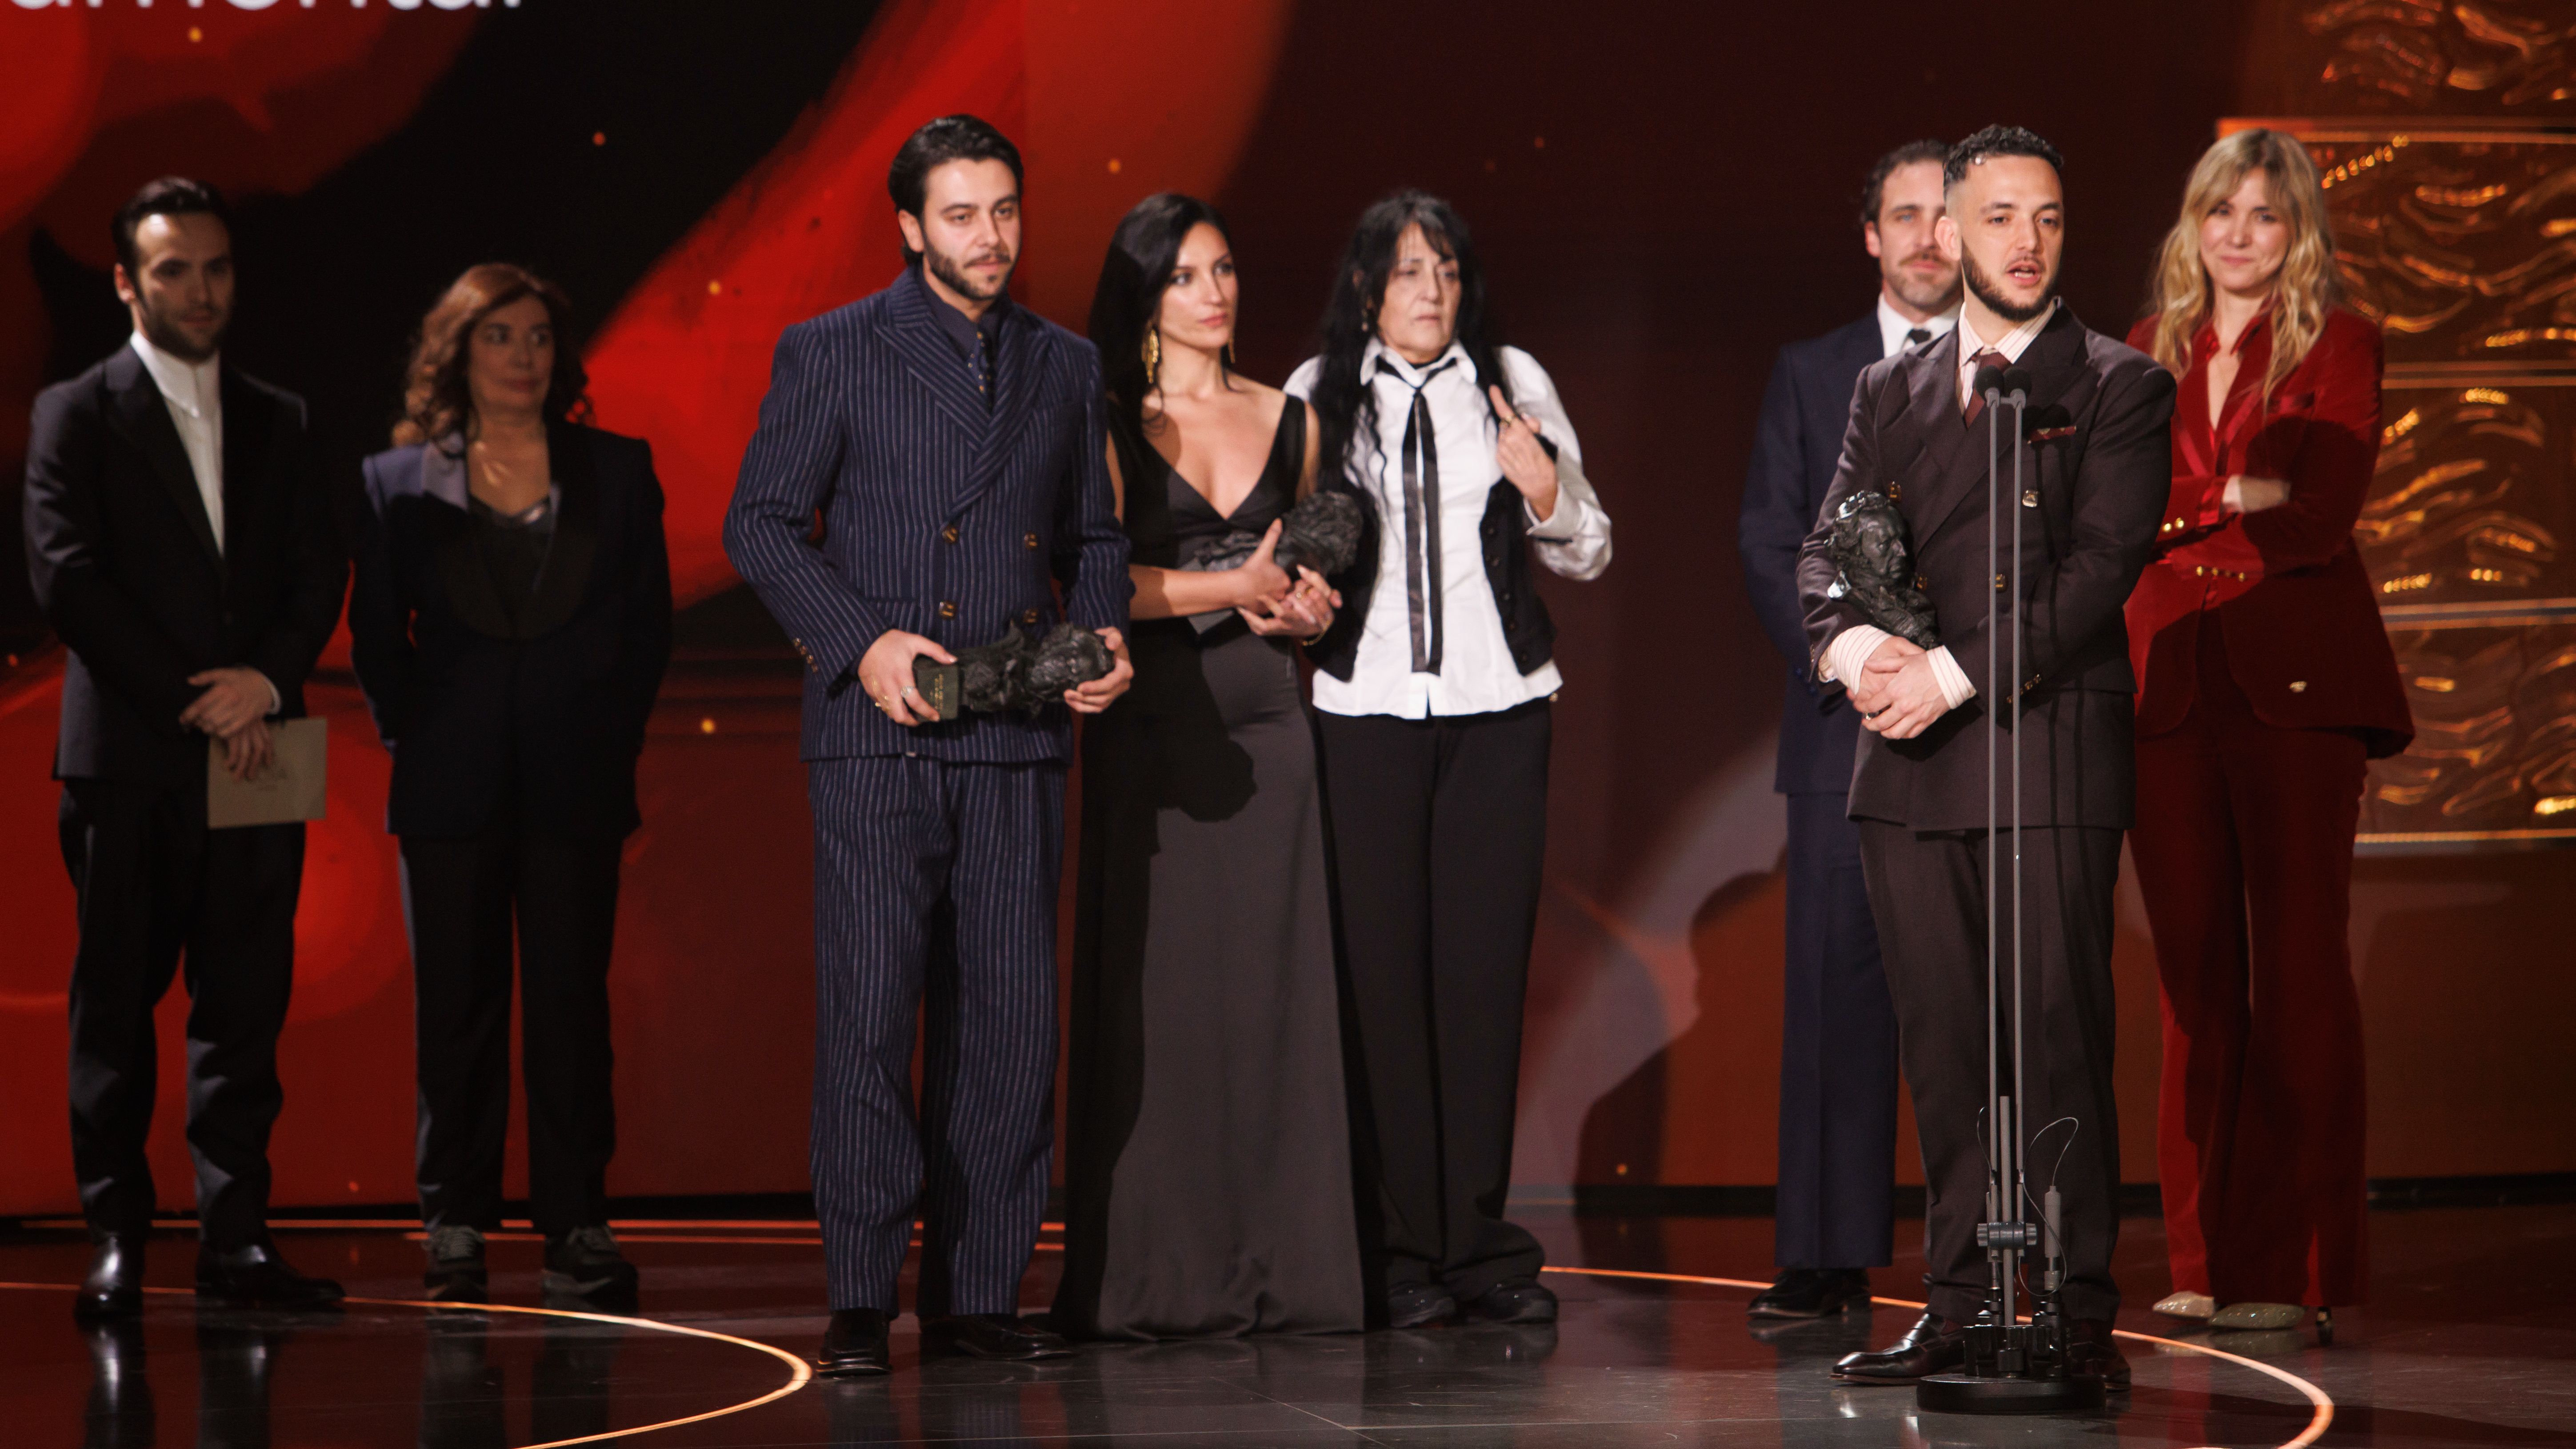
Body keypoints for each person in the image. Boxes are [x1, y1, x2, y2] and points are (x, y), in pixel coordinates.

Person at [722, 114, 1134, 1377]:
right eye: (961, 215)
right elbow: (760, 523)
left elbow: (1096, 540)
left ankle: (976, 1292)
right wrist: (866, 642)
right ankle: (859, 1292)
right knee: (869, 1014)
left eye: (1005, 209)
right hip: (877, 735)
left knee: (1008, 1025)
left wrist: (1102, 639)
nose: (990, 237)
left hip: (1014, 730)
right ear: (909, 226)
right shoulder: (833, 349)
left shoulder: (1065, 365)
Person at [1792, 127, 2175, 1387]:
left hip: (2044, 751)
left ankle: (2069, 1313)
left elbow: (2094, 572)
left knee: (2054, 1039)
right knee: (1946, 1046)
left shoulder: (2113, 383)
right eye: (2001, 216)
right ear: (1948, 233)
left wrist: (1947, 675)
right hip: (1905, 770)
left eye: (2049, 218)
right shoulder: (1885, 391)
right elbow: (1826, 554)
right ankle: (1959, 1300)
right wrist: (1860, 658)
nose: (2027, 241)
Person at [24, 176, 348, 1320]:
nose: (200, 290)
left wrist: (262, 682)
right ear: (126, 281)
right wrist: (199, 700)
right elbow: (69, 579)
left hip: (270, 744)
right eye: (173, 270)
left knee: (245, 1006)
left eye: (215, 268)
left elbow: (319, 571)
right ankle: (117, 1238)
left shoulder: (284, 416)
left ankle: (238, 1243)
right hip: (128, 755)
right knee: (116, 1007)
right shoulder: (76, 409)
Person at [1288, 190, 1612, 1330]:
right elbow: (1278, 560)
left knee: (1479, 982)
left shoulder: (1510, 382)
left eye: (1449, 273)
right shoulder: (1316, 395)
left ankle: (1478, 1241)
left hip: (1496, 709)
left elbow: (1590, 546)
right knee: (1382, 985)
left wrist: (1546, 491)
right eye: (1409, 272)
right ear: (1368, 285)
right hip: (1365, 711)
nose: (1431, 293)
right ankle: (1399, 1251)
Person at [1054, 193, 1361, 1340]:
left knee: (1276, 998)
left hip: (1273, 723)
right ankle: (1157, 1279)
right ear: (1146, 296)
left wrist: (1306, 607)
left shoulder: (1293, 415)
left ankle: (1290, 1273)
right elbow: (1102, 588)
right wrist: (1231, 588)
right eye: (1189, 275)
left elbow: (1311, 579)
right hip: (1159, 731)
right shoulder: (1109, 418)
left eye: (1226, 268)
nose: (1217, 291)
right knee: (1166, 1007)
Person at [2123, 130, 2409, 1338]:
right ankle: (2200, 1254)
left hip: (2297, 689)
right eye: (2220, 211)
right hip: (2164, 688)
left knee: (2295, 972)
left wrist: (2203, 515)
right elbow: (2120, 512)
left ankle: (2291, 1268)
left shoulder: (2340, 343)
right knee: (2194, 984)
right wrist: (2225, 494)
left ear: (2298, 237)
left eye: (2265, 216)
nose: (2239, 234)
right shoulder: (2137, 357)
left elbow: (2316, 517)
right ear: (2191, 224)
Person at [347, 264, 674, 1309]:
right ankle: (454, 1222)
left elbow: (647, 632)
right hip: (449, 789)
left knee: (573, 1006)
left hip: (577, 781)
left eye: (539, 336)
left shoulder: (619, 472)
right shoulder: (395, 482)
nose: (524, 356)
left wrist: (607, 745)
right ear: (458, 353)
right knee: (459, 1010)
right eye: (500, 337)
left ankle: (578, 1221)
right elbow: (375, 640)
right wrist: (420, 739)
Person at [1737, 138, 1958, 1321]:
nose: (1927, 235)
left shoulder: (2014, 367)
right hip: (1841, 723)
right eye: (1904, 215)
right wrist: (1856, 657)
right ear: (1869, 236)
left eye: (1945, 215)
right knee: (1833, 990)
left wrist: (1951, 671)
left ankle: (1983, 1256)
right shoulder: (1810, 370)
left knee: (1978, 992)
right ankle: (1822, 1254)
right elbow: (1772, 539)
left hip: (1977, 722)